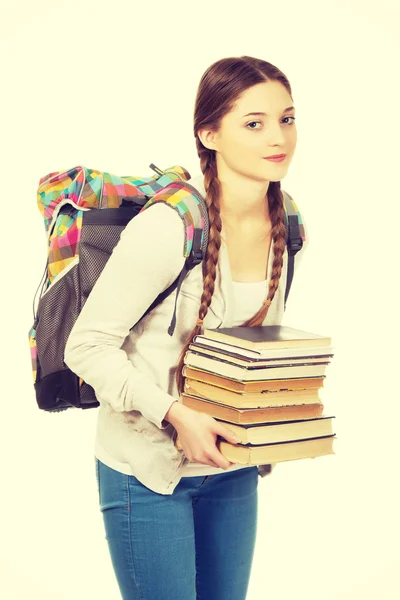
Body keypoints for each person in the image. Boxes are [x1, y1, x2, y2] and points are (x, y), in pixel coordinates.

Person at [64, 55, 308, 600]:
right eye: (254, 122)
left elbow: (256, 346)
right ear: (209, 133)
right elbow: (87, 345)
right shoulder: (168, 228)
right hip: (146, 472)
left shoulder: (288, 224)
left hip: (233, 466)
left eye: (287, 119)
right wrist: (175, 414)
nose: (279, 137)